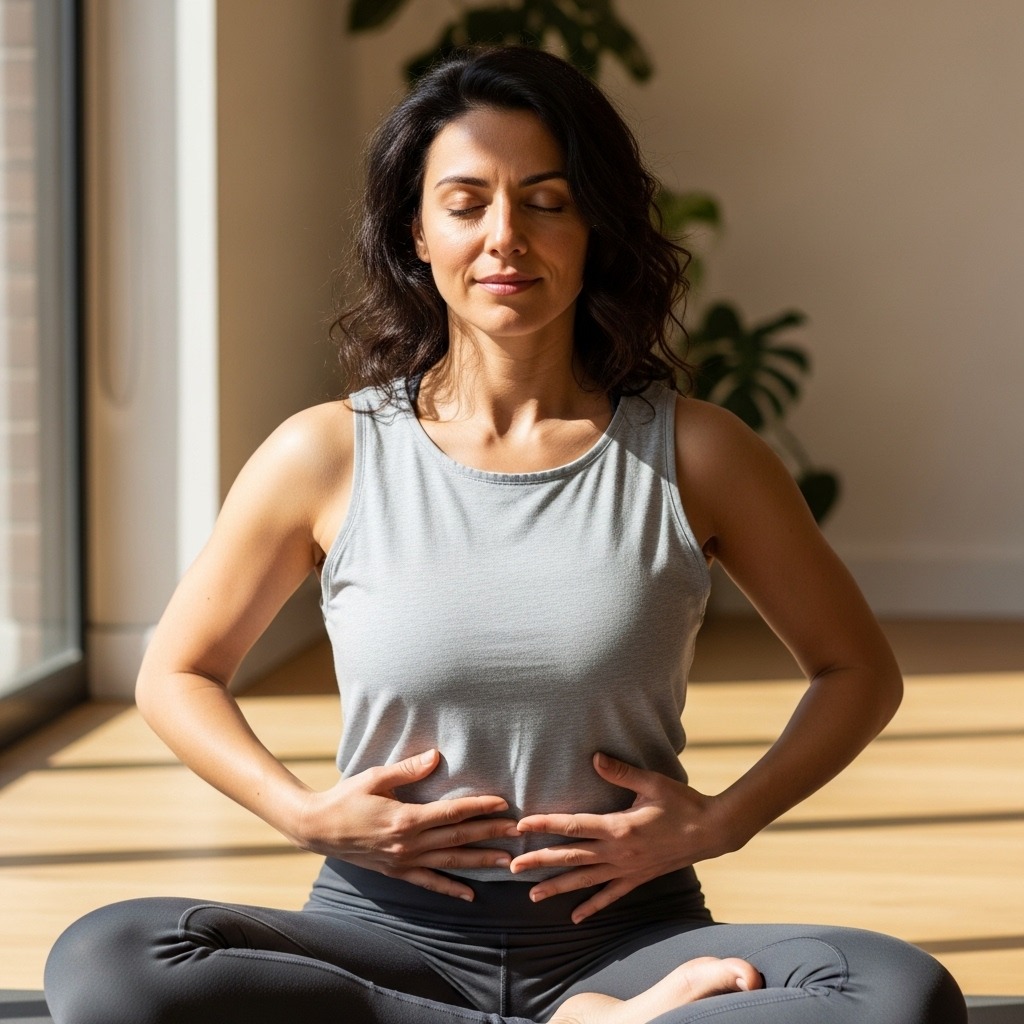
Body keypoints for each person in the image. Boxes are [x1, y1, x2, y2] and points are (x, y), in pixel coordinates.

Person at [45, 46, 965, 1024]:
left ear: (594, 227)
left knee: (898, 996)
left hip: (628, 935)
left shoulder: (696, 453)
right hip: (381, 936)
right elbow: (175, 672)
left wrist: (718, 822)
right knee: (111, 962)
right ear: (417, 232)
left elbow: (855, 670)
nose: (505, 237)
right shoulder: (325, 453)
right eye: (465, 201)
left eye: (546, 200)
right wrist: (302, 811)